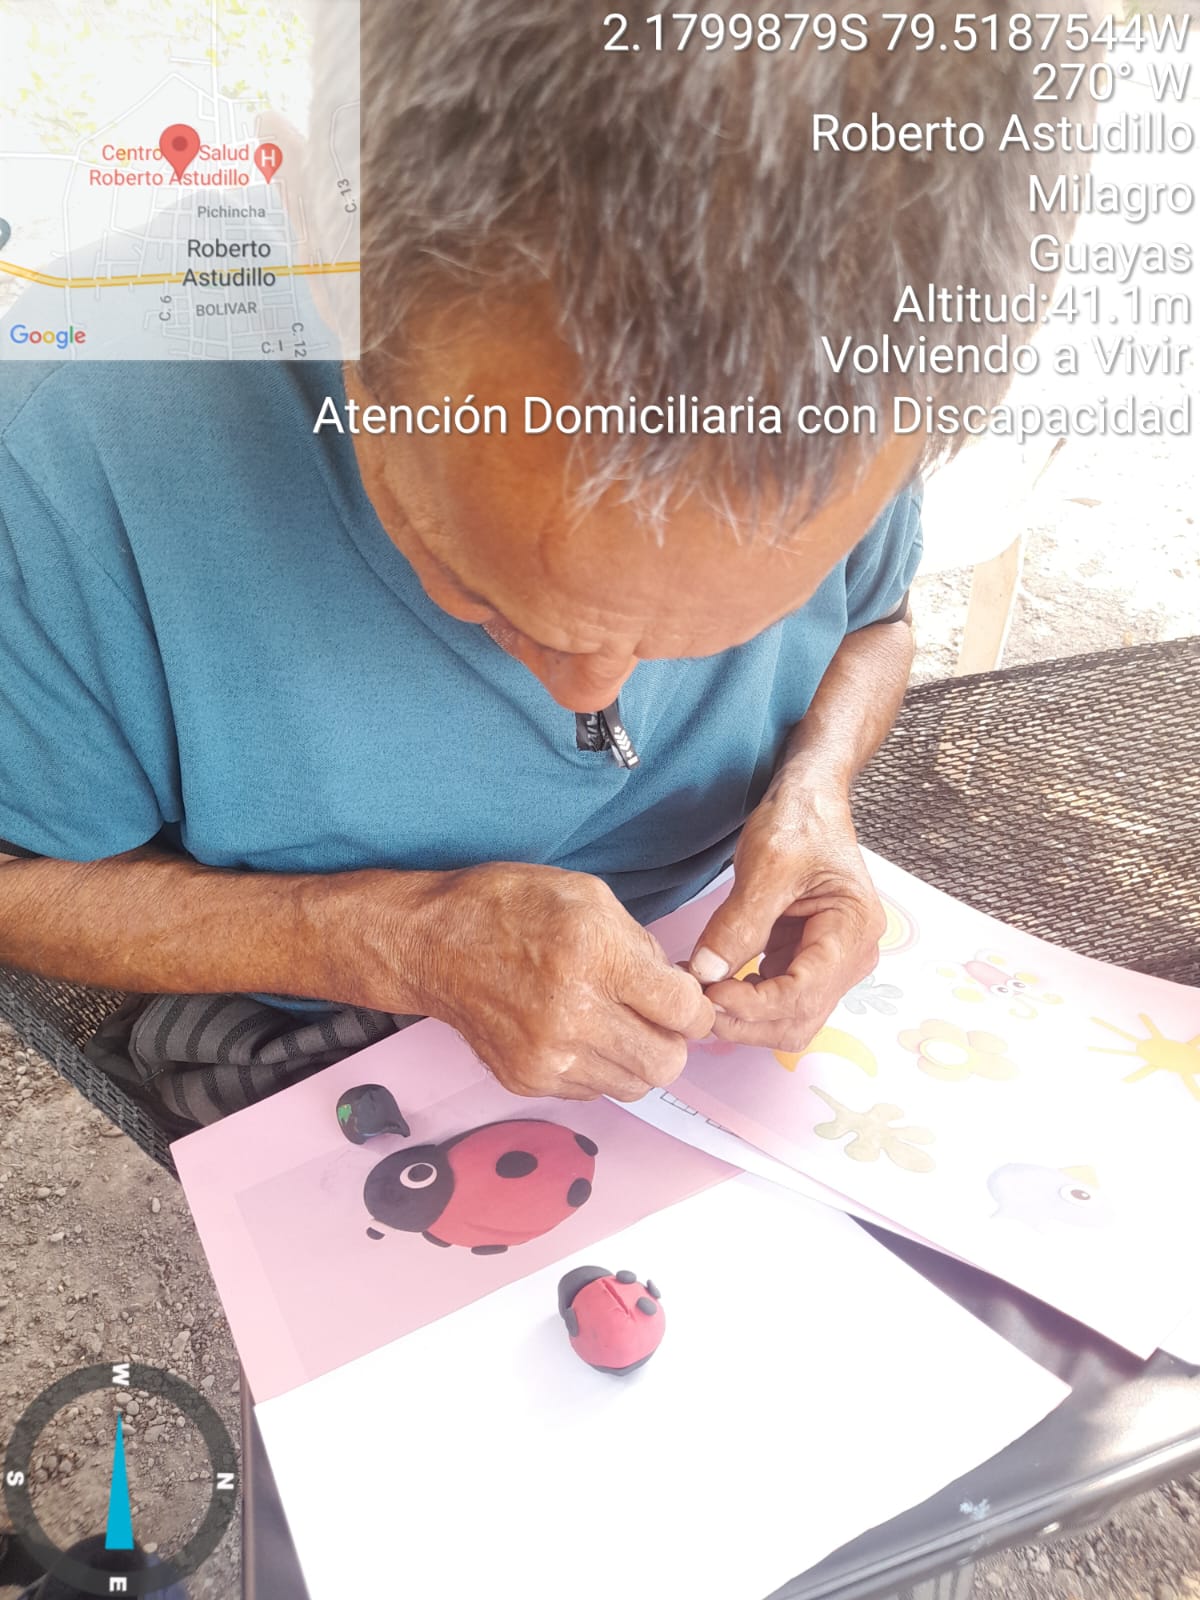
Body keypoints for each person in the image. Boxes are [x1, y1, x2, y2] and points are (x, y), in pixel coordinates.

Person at [0, 0, 1087, 1130]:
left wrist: (816, 786)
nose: (589, 693)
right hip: (319, 1011)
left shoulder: (872, 344)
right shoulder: (71, 447)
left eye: (720, 624)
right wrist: (396, 939)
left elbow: (876, 624)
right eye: (483, 591)